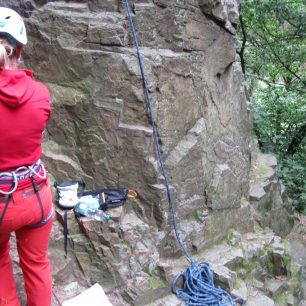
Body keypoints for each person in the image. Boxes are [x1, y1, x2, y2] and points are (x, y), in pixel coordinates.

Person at [0, 7, 53, 306]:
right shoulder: (42, 93)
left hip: (1, 203)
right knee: (36, 264)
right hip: (36, 195)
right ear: (20, 49)